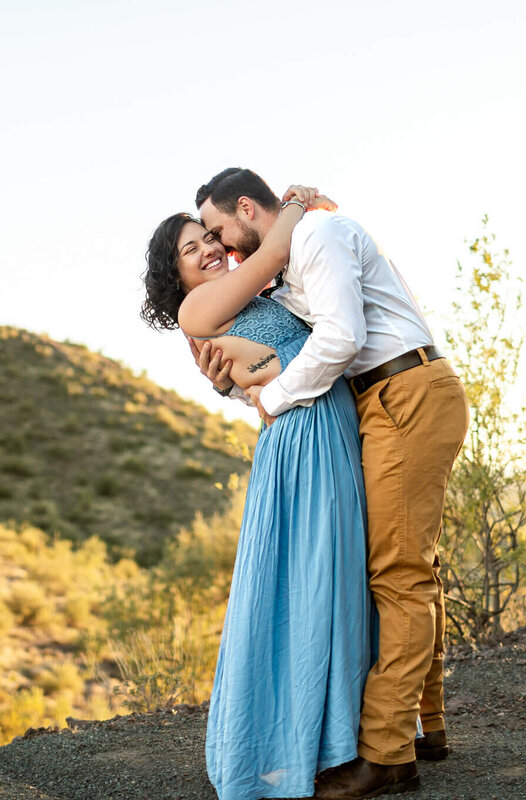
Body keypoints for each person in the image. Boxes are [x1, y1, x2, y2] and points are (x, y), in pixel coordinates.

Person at [192, 168, 469, 799]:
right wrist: (235, 381)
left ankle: (387, 756)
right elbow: (284, 346)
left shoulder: (318, 234)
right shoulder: (289, 265)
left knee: (397, 573)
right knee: (405, 562)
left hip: (405, 391)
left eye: (217, 229)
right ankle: (427, 722)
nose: (220, 245)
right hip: (379, 402)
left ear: (243, 207)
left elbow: (342, 336)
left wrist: (275, 399)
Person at [141, 188, 376, 800]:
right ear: (178, 276)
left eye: (209, 238)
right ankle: (293, 746)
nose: (210, 250)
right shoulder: (200, 310)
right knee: (302, 579)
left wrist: (259, 367)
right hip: (298, 434)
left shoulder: (250, 291)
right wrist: (296, 202)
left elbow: (279, 345)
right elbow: (272, 260)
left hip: (326, 420)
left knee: (340, 573)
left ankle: (344, 739)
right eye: (192, 249)